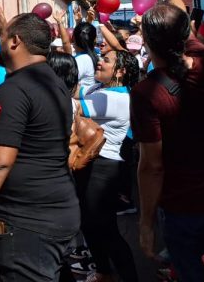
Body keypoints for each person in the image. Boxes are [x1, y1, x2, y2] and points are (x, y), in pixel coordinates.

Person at [0, 2, 80, 282]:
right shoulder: (52, 82)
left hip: (28, 225)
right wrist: (4, 30)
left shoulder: (13, 91)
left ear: (15, 42)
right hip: (58, 213)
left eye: (3, 37)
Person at [130, 0, 204, 282]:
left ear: (147, 42)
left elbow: (151, 166)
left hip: (185, 208)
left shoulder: (146, 94)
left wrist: (145, 221)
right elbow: (188, 30)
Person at [73, 49, 140, 282]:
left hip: (104, 168)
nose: (99, 62)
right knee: (89, 223)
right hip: (92, 164)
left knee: (107, 229)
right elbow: (76, 92)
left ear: (120, 72)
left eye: (106, 60)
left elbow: (75, 108)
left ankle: (129, 277)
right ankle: (103, 272)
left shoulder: (115, 98)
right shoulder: (100, 90)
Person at [73, 22, 99, 89]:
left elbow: (68, 82)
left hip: (82, 98)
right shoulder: (90, 56)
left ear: (74, 38)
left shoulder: (82, 59)